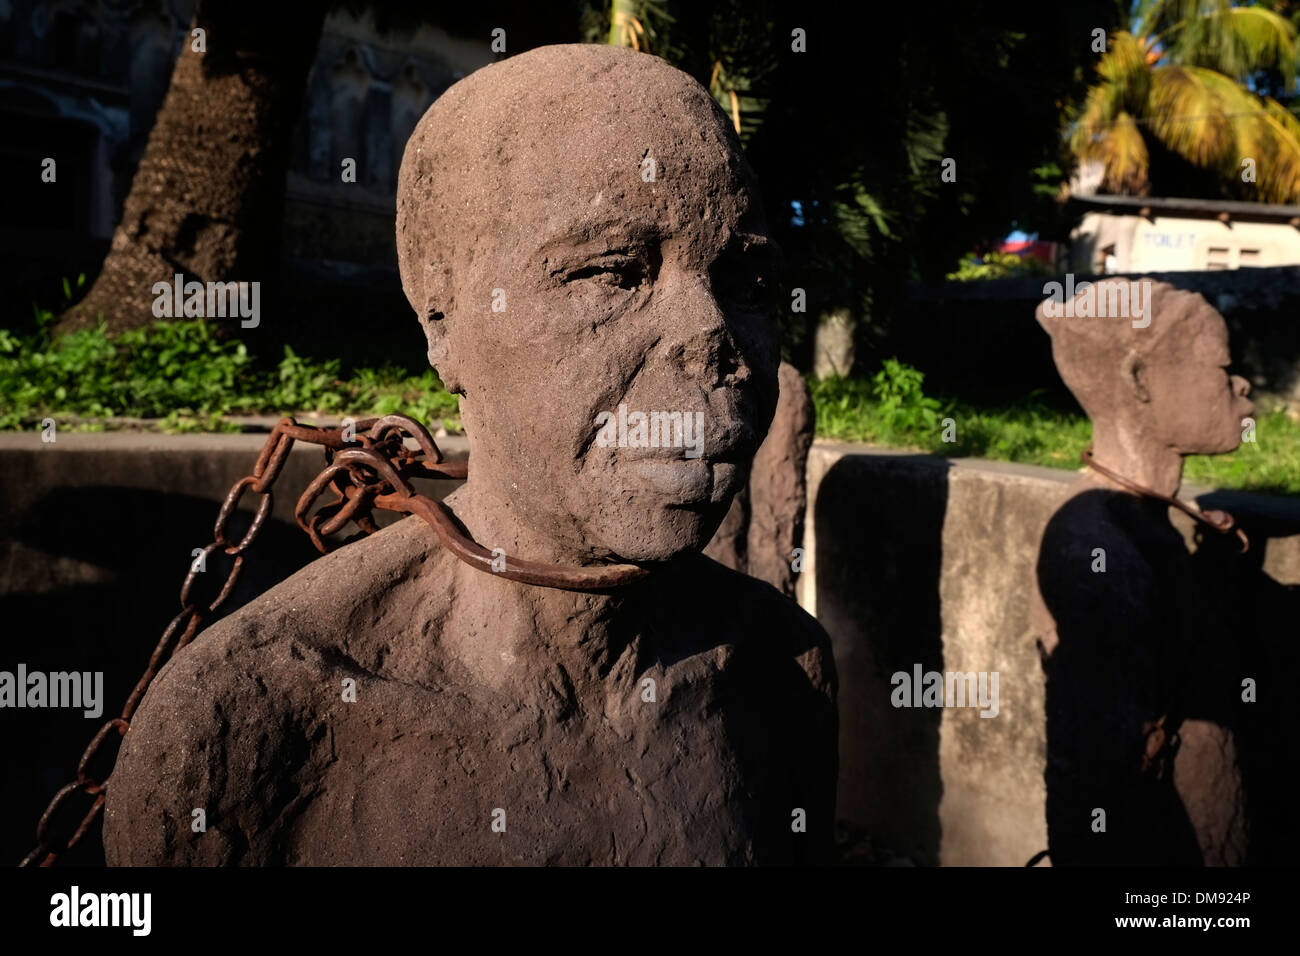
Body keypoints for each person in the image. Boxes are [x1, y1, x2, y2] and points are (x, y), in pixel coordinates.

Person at [103, 44, 837, 867]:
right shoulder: (248, 728)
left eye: (747, 283)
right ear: (441, 316)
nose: (715, 340)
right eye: (613, 274)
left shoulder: (781, 672)